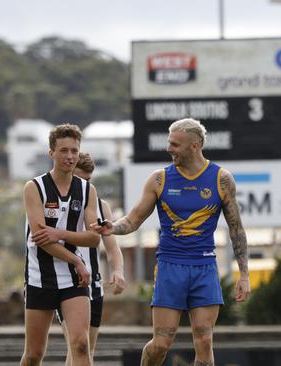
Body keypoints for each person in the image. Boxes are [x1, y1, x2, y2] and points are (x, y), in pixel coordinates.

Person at [91, 118, 251, 366]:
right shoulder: (159, 180)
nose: (169, 149)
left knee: (204, 339)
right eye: (169, 143)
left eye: (175, 144)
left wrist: (244, 274)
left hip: (204, 267)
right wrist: (112, 228)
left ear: (195, 146)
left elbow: (236, 229)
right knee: (161, 344)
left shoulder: (221, 179)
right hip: (170, 267)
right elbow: (133, 220)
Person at [21, 123, 100, 366]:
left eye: (74, 151)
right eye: (64, 150)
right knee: (34, 354)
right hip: (40, 276)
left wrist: (59, 233)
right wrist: (77, 259)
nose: (70, 156)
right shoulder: (34, 187)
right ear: (51, 153)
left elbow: (94, 237)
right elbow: (41, 239)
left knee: (81, 344)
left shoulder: (88, 190)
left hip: (74, 278)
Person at [57, 152, 126, 365]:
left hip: (94, 285)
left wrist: (118, 270)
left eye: (88, 181)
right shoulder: (56, 201)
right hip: (68, 281)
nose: (83, 185)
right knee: (78, 345)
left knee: (88, 350)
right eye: (78, 179)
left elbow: (112, 247)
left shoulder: (100, 205)